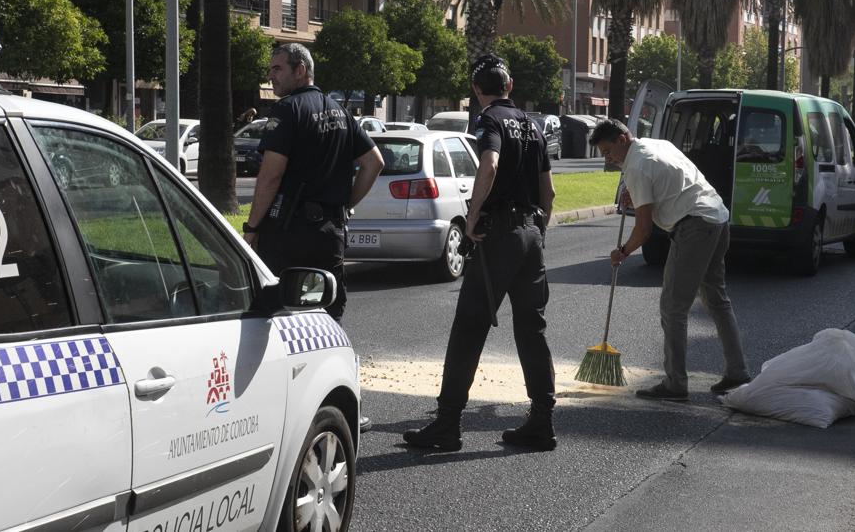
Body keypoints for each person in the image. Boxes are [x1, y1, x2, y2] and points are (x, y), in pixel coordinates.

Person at [404, 54, 557, 452]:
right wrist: (538, 229)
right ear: (509, 86)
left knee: (468, 329)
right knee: (532, 330)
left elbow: (488, 164)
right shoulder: (532, 125)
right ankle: (542, 420)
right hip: (530, 234)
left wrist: (472, 220)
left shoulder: (489, 120)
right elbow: (549, 191)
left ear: (477, 90)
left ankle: (447, 424)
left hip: (500, 235)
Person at [591, 118, 750, 401]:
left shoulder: (637, 167)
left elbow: (644, 228)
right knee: (717, 300)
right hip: (717, 216)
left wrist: (623, 252)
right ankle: (737, 372)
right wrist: (639, 195)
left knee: (673, 308)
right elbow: (668, 182)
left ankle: (676, 383)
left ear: (622, 140)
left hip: (694, 227)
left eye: (608, 151)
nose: (609, 159)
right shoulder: (656, 145)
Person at [242, 43, 384, 324]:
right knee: (328, 312)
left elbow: (271, 176)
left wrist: (252, 228)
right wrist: (344, 204)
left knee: (272, 309)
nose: (272, 76)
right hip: (330, 235)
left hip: (288, 232)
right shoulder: (341, 113)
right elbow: (374, 163)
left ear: (301, 70)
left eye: (278, 69)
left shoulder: (287, 109)